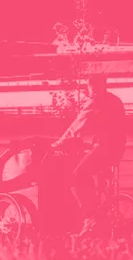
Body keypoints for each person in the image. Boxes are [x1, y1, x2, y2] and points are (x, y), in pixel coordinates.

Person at [51, 74, 126, 236]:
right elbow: (111, 127)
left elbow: (78, 124)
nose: (88, 91)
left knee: (76, 175)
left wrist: (59, 142)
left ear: (93, 87)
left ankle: (90, 217)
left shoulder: (95, 101)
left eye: (89, 88)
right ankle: (100, 218)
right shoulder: (116, 101)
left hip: (104, 148)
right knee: (95, 179)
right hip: (118, 150)